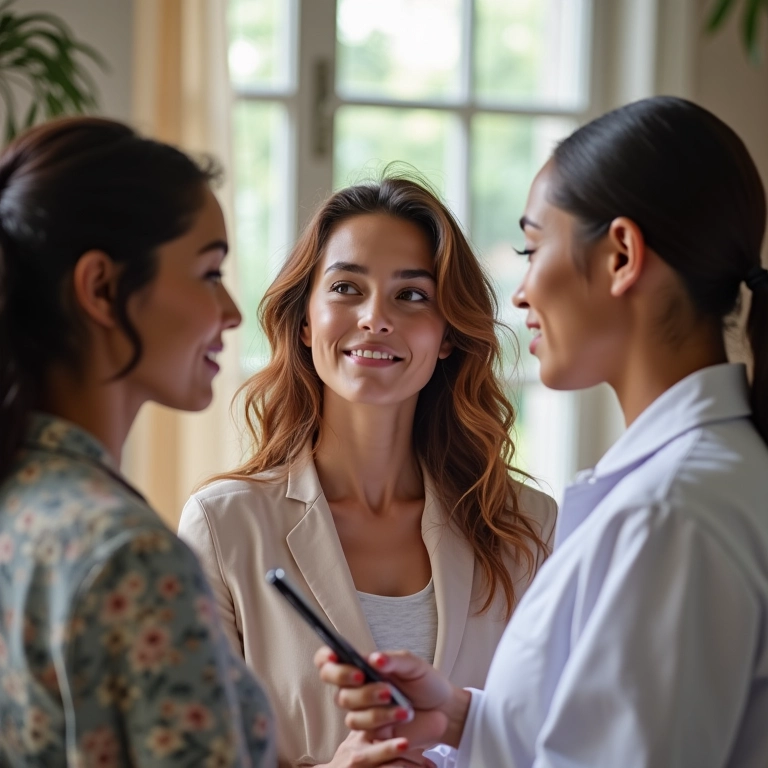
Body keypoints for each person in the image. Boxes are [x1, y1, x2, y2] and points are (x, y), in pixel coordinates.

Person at [315, 95, 768, 767]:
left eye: (533, 248)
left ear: (621, 255)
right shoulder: (690, 488)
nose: (521, 292)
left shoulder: (670, 515)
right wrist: (461, 718)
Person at [178, 175, 557, 767]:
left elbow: (566, 741)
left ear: (448, 334)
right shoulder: (225, 526)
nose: (376, 317)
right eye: (346, 288)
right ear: (306, 322)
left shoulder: (526, 527)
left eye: (412, 295)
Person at [0, 117, 275, 766]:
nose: (232, 312)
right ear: (102, 288)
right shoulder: (130, 558)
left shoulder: (21, 503)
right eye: (209, 272)